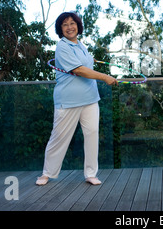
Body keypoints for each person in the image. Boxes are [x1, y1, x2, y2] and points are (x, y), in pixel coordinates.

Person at [36, 12, 118, 186]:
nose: (69, 27)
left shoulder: (81, 45)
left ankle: (91, 174)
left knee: (92, 135)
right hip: (68, 100)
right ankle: (46, 173)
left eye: (72, 23)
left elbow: (85, 64)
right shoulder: (62, 46)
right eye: (65, 25)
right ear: (60, 29)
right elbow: (79, 70)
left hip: (90, 99)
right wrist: (105, 77)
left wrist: (90, 61)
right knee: (59, 137)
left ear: (78, 26)